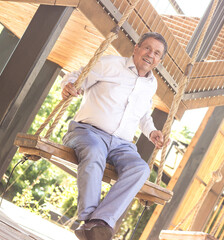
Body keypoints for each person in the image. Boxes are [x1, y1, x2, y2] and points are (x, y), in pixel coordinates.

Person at [61, 32, 169, 240]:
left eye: (156, 53)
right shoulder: (110, 64)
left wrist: (152, 131)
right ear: (136, 48)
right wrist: (69, 85)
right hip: (87, 132)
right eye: (147, 48)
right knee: (94, 151)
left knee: (140, 169)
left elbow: (143, 114)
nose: (150, 55)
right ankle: (91, 221)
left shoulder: (151, 84)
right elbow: (77, 76)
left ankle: (99, 222)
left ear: (159, 61)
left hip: (122, 145)